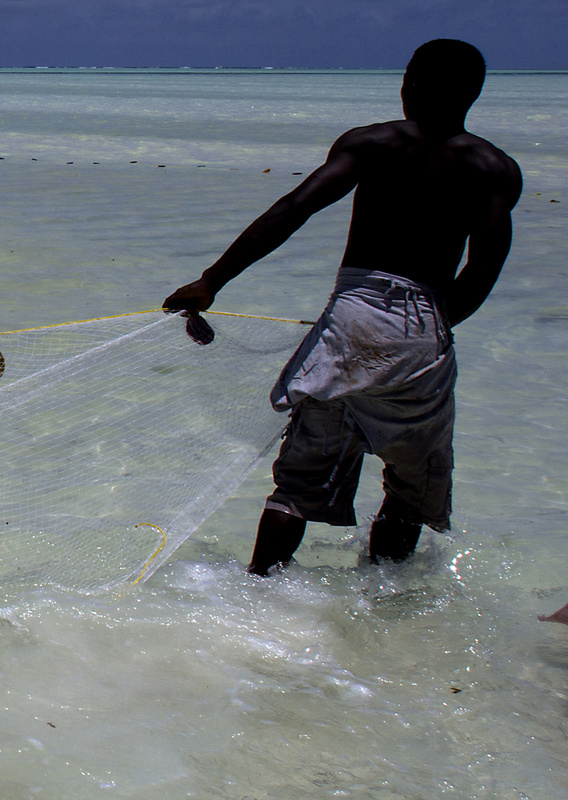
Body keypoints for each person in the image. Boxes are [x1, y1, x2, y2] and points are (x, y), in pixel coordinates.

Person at [162, 39, 521, 576]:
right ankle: (382, 609)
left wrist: (211, 281)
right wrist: (435, 325)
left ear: (408, 86)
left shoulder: (372, 144)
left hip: (352, 316)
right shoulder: (492, 169)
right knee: (409, 487)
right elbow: (484, 269)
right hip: (426, 321)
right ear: (473, 94)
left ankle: (258, 594)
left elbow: (294, 208)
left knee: (299, 485)